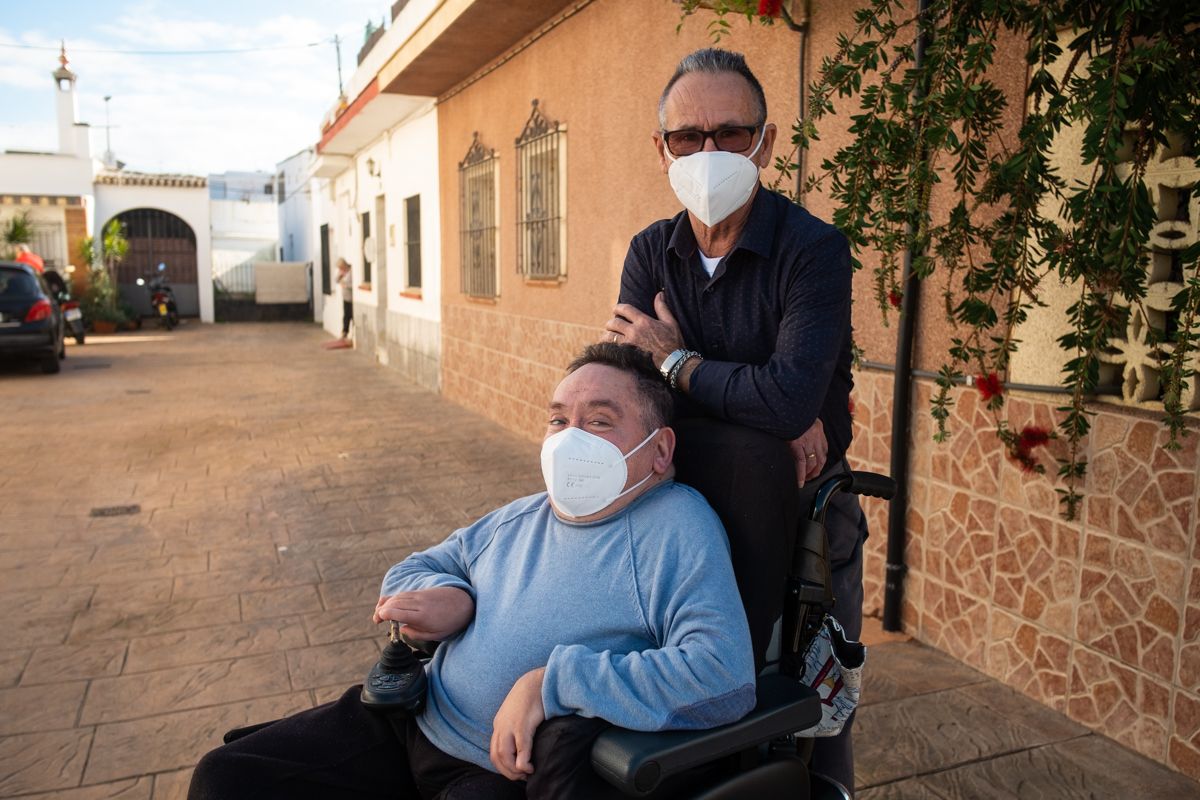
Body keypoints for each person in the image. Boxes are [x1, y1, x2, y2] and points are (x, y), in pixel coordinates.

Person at [188, 342, 756, 800]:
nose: (569, 440)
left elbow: (722, 675)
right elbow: (416, 568)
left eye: (600, 421)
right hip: (407, 717)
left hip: (491, 774)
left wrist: (550, 684)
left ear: (659, 451)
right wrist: (450, 596)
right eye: (559, 420)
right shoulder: (526, 514)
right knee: (226, 777)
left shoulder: (676, 526)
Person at [603, 47, 869, 794]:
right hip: (678, 508)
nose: (709, 150)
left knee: (813, 702)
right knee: (688, 677)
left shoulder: (812, 250)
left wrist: (676, 362)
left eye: (730, 131)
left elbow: (790, 401)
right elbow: (630, 400)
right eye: (688, 136)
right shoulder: (651, 252)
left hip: (808, 508)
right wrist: (770, 414)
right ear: (662, 150)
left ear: (767, 143)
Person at [336, 257, 353, 340]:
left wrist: (345, 285)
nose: (340, 269)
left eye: (340, 268)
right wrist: (340, 275)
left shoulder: (351, 271)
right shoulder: (342, 272)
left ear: (344, 265)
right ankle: (344, 332)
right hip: (345, 297)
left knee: (349, 315)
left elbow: (353, 285)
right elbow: (336, 280)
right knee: (346, 316)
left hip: (351, 298)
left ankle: (347, 333)